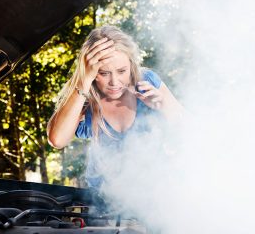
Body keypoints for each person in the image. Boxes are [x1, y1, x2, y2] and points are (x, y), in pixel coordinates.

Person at [47, 25, 185, 188]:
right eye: (103, 73)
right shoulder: (84, 95)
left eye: (121, 71)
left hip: (154, 196)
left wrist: (163, 105)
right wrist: (83, 81)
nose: (114, 82)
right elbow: (57, 140)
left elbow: (191, 131)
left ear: (131, 65)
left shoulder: (146, 80)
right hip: (104, 199)